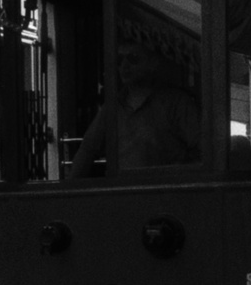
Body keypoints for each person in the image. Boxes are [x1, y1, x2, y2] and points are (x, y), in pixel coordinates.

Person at [70, 21, 201, 176]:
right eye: (119, 60)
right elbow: (87, 150)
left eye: (133, 58)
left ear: (152, 63)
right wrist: (69, 186)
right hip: (123, 189)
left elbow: (203, 149)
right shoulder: (113, 108)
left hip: (164, 188)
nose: (124, 66)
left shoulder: (176, 103)